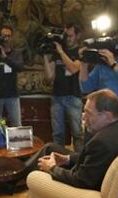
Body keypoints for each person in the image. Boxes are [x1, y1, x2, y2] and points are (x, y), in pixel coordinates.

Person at [25, 89, 118, 191]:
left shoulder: (102, 142)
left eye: (88, 113)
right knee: (50, 147)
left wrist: (51, 168)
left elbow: (80, 181)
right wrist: (67, 159)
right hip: (90, 171)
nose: (83, 117)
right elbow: (94, 158)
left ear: (107, 116)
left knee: (46, 158)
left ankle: (17, 177)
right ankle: (21, 173)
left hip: (83, 188)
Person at [43, 23, 83, 152]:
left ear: (78, 35)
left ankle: (79, 162)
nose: (67, 38)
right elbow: (49, 77)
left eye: (70, 35)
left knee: (77, 134)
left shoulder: (80, 52)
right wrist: (44, 55)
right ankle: (59, 162)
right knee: (57, 134)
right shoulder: (58, 52)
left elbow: (73, 68)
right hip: (57, 97)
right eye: (66, 35)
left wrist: (61, 51)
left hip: (73, 96)